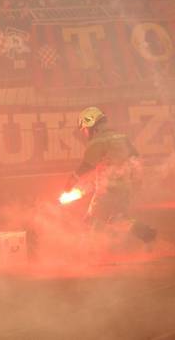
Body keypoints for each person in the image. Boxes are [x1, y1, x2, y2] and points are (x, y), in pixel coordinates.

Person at [66, 107, 157, 251]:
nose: (84, 133)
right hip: (124, 188)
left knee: (90, 220)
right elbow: (134, 157)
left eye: (84, 129)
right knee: (117, 219)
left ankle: (84, 254)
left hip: (107, 189)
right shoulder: (120, 136)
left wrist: (71, 180)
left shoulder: (98, 141)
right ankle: (147, 234)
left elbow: (87, 165)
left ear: (91, 125)